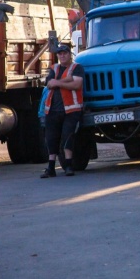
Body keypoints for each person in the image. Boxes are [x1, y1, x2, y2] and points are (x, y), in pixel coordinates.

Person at [41, 43, 84, 178]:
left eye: (65, 53)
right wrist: (66, 81)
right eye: (60, 54)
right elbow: (49, 84)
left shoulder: (76, 68)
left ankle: (68, 166)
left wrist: (58, 83)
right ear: (57, 56)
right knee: (51, 139)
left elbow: (77, 84)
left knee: (67, 137)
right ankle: (51, 168)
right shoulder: (54, 68)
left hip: (71, 110)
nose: (62, 55)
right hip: (52, 110)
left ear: (69, 54)